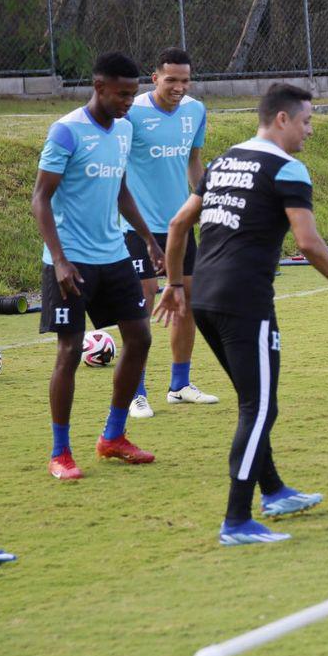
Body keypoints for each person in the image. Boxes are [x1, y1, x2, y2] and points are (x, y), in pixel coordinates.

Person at [155, 84, 328, 545]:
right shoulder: (288, 169)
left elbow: (177, 225)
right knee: (261, 406)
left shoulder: (225, 160)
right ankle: (236, 520)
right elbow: (308, 242)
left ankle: (273, 491)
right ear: (283, 120)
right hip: (245, 302)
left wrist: (174, 285)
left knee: (251, 401)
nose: (310, 131)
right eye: (307, 121)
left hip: (205, 298)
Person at [32, 52, 163, 481]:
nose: (129, 101)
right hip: (70, 263)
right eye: (122, 94)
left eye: (133, 94)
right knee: (69, 352)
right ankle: (60, 452)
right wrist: (61, 261)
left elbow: (122, 190)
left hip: (114, 256)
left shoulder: (124, 130)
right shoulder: (67, 131)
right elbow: (40, 199)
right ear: (99, 87)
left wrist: (147, 238)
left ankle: (113, 436)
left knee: (140, 337)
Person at [123, 47, 217, 419]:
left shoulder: (195, 111)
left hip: (179, 226)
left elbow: (194, 161)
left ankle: (179, 385)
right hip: (135, 227)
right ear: (154, 78)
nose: (179, 87)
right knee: (142, 304)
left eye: (185, 80)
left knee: (186, 301)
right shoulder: (131, 114)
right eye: (171, 80)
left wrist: (204, 205)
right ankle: (136, 391)